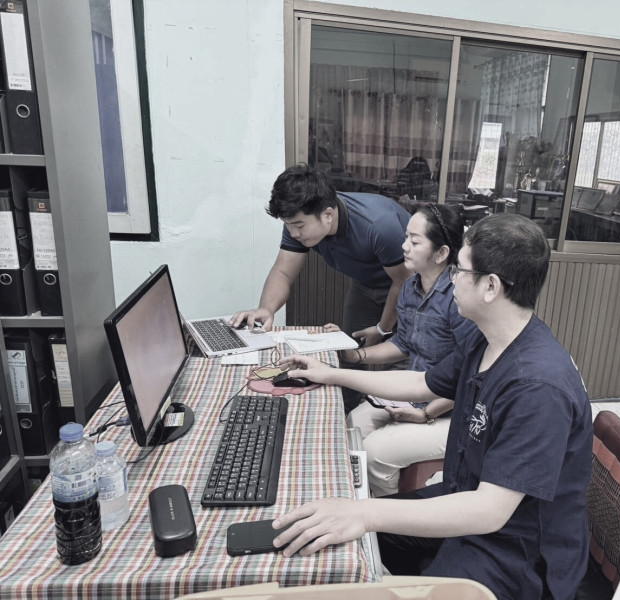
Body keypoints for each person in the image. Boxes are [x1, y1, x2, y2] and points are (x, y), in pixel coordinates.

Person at [272, 214, 593, 600]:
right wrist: (332, 374)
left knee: (363, 525)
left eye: (460, 270)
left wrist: (363, 513)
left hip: (515, 551)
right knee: (341, 544)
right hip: (465, 502)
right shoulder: (488, 339)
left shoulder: (537, 386)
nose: (452, 279)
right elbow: (422, 383)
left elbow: (490, 511)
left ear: (491, 286)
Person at [231, 164, 412, 410]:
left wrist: (382, 328)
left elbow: (403, 282)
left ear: (327, 214)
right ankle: (347, 413)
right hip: (366, 284)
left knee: (402, 359)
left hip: (412, 288)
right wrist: (266, 309)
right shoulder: (300, 222)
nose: (293, 233)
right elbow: (283, 271)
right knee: (349, 353)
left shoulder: (378, 225)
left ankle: (394, 413)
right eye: (288, 225)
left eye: (299, 226)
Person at [338, 203, 477, 497]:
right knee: (351, 427)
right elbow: (403, 344)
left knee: (374, 453)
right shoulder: (411, 287)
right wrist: (357, 356)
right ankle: (361, 504)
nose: (404, 247)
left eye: (414, 241)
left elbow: (470, 374)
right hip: (415, 396)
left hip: (452, 411)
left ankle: (390, 520)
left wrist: (426, 413)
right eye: (405, 238)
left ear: (441, 253)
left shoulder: (459, 299)